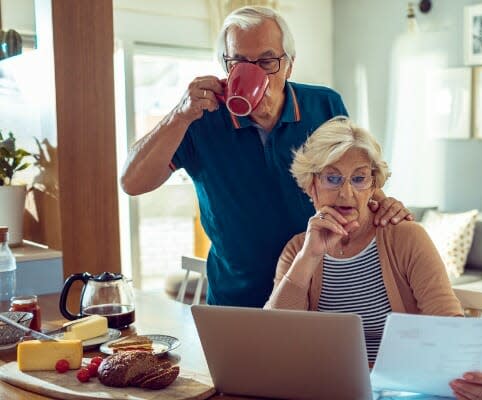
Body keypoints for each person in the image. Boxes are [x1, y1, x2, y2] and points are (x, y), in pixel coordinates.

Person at [120, 7, 411, 307]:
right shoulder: (200, 119)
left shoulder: (323, 105)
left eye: (267, 61)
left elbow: (352, 178)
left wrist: (380, 202)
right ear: (225, 65)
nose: (254, 72)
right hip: (236, 300)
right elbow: (132, 182)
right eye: (239, 62)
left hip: (318, 293)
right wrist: (178, 116)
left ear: (289, 65)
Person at [265, 117, 482, 400]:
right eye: (332, 178)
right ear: (312, 186)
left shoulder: (405, 237)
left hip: (403, 389)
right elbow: (276, 342)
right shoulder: (298, 250)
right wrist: (309, 256)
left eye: (359, 178)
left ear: (373, 185)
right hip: (326, 389)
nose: (347, 193)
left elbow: (448, 326)